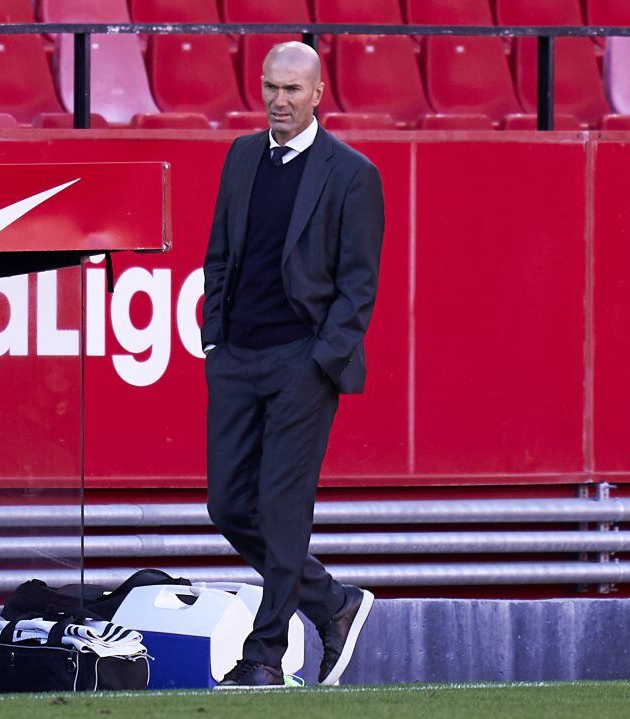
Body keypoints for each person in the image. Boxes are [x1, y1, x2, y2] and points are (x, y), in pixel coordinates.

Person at [202, 42, 384, 688]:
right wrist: (213, 340)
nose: (279, 100)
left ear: (317, 93)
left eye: (291, 90)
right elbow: (221, 251)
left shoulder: (352, 173)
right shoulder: (242, 155)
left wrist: (319, 362)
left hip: (302, 361)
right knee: (227, 504)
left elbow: (358, 286)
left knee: (281, 508)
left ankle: (265, 652)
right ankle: (330, 600)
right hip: (237, 357)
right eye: (270, 87)